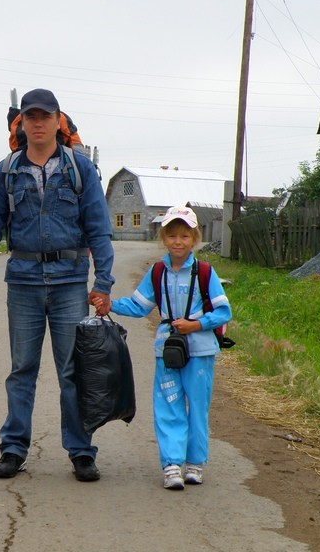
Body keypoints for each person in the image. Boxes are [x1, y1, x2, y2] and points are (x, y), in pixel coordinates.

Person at [0, 88, 114, 482]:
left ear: (58, 121)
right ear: (23, 122)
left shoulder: (79, 169)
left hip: (69, 282)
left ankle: (81, 451)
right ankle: (13, 449)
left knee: (72, 371)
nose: (38, 122)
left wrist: (104, 283)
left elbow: (99, 229)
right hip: (24, 283)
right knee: (22, 370)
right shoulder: (6, 171)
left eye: (46, 116)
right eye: (31, 116)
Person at [94, 206, 231, 490]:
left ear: (194, 239)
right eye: (172, 236)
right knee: (168, 405)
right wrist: (110, 305)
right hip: (167, 351)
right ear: (164, 238)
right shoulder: (157, 272)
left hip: (200, 351)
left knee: (197, 407)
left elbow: (223, 312)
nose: (178, 242)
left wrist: (195, 324)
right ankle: (171, 465)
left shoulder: (205, 272)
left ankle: (194, 464)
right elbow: (139, 305)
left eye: (184, 236)